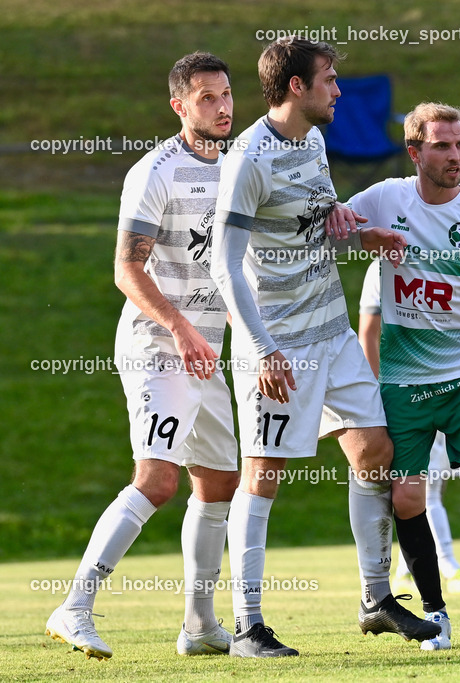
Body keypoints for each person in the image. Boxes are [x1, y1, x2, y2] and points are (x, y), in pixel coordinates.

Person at [210, 36, 439, 657]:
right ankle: (247, 627)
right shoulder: (248, 158)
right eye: (330, 80)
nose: (339, 90)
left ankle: (374, 599)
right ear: (295, 87)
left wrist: (357, 229)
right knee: (263, 476)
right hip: (278, 343)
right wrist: (261, 350)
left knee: (376, 451)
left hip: (333, 332)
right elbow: (225, 268)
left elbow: (315, 217)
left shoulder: (312, 140)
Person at [45, 52, 239, 660]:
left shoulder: (238, 166)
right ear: (179, 106)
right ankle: (74, 606)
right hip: (161, 343)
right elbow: (126, 269)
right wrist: (181, 329)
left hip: (210, 348)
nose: (223, 106)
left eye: (227, 93)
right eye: (206, 97)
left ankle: (200, 626)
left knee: (220, 481)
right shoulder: (154, 170)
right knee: (157, 479)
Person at [343, 102, 460, 650]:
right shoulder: (383, 198)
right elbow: (332, 224)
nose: (456, 156)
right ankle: (435, 614)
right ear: (415, 152)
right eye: (442, 146)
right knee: (407, 499)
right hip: (403, 384)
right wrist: (354, 233)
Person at [357, 258, 460, 595]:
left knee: (425, 487)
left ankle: (405, 567)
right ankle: (447, 566)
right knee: (418, 488)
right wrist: (374, 400)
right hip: (406, 391)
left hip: (450, 390)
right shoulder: (382, 269)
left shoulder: (447, 265)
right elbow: (368, 334)